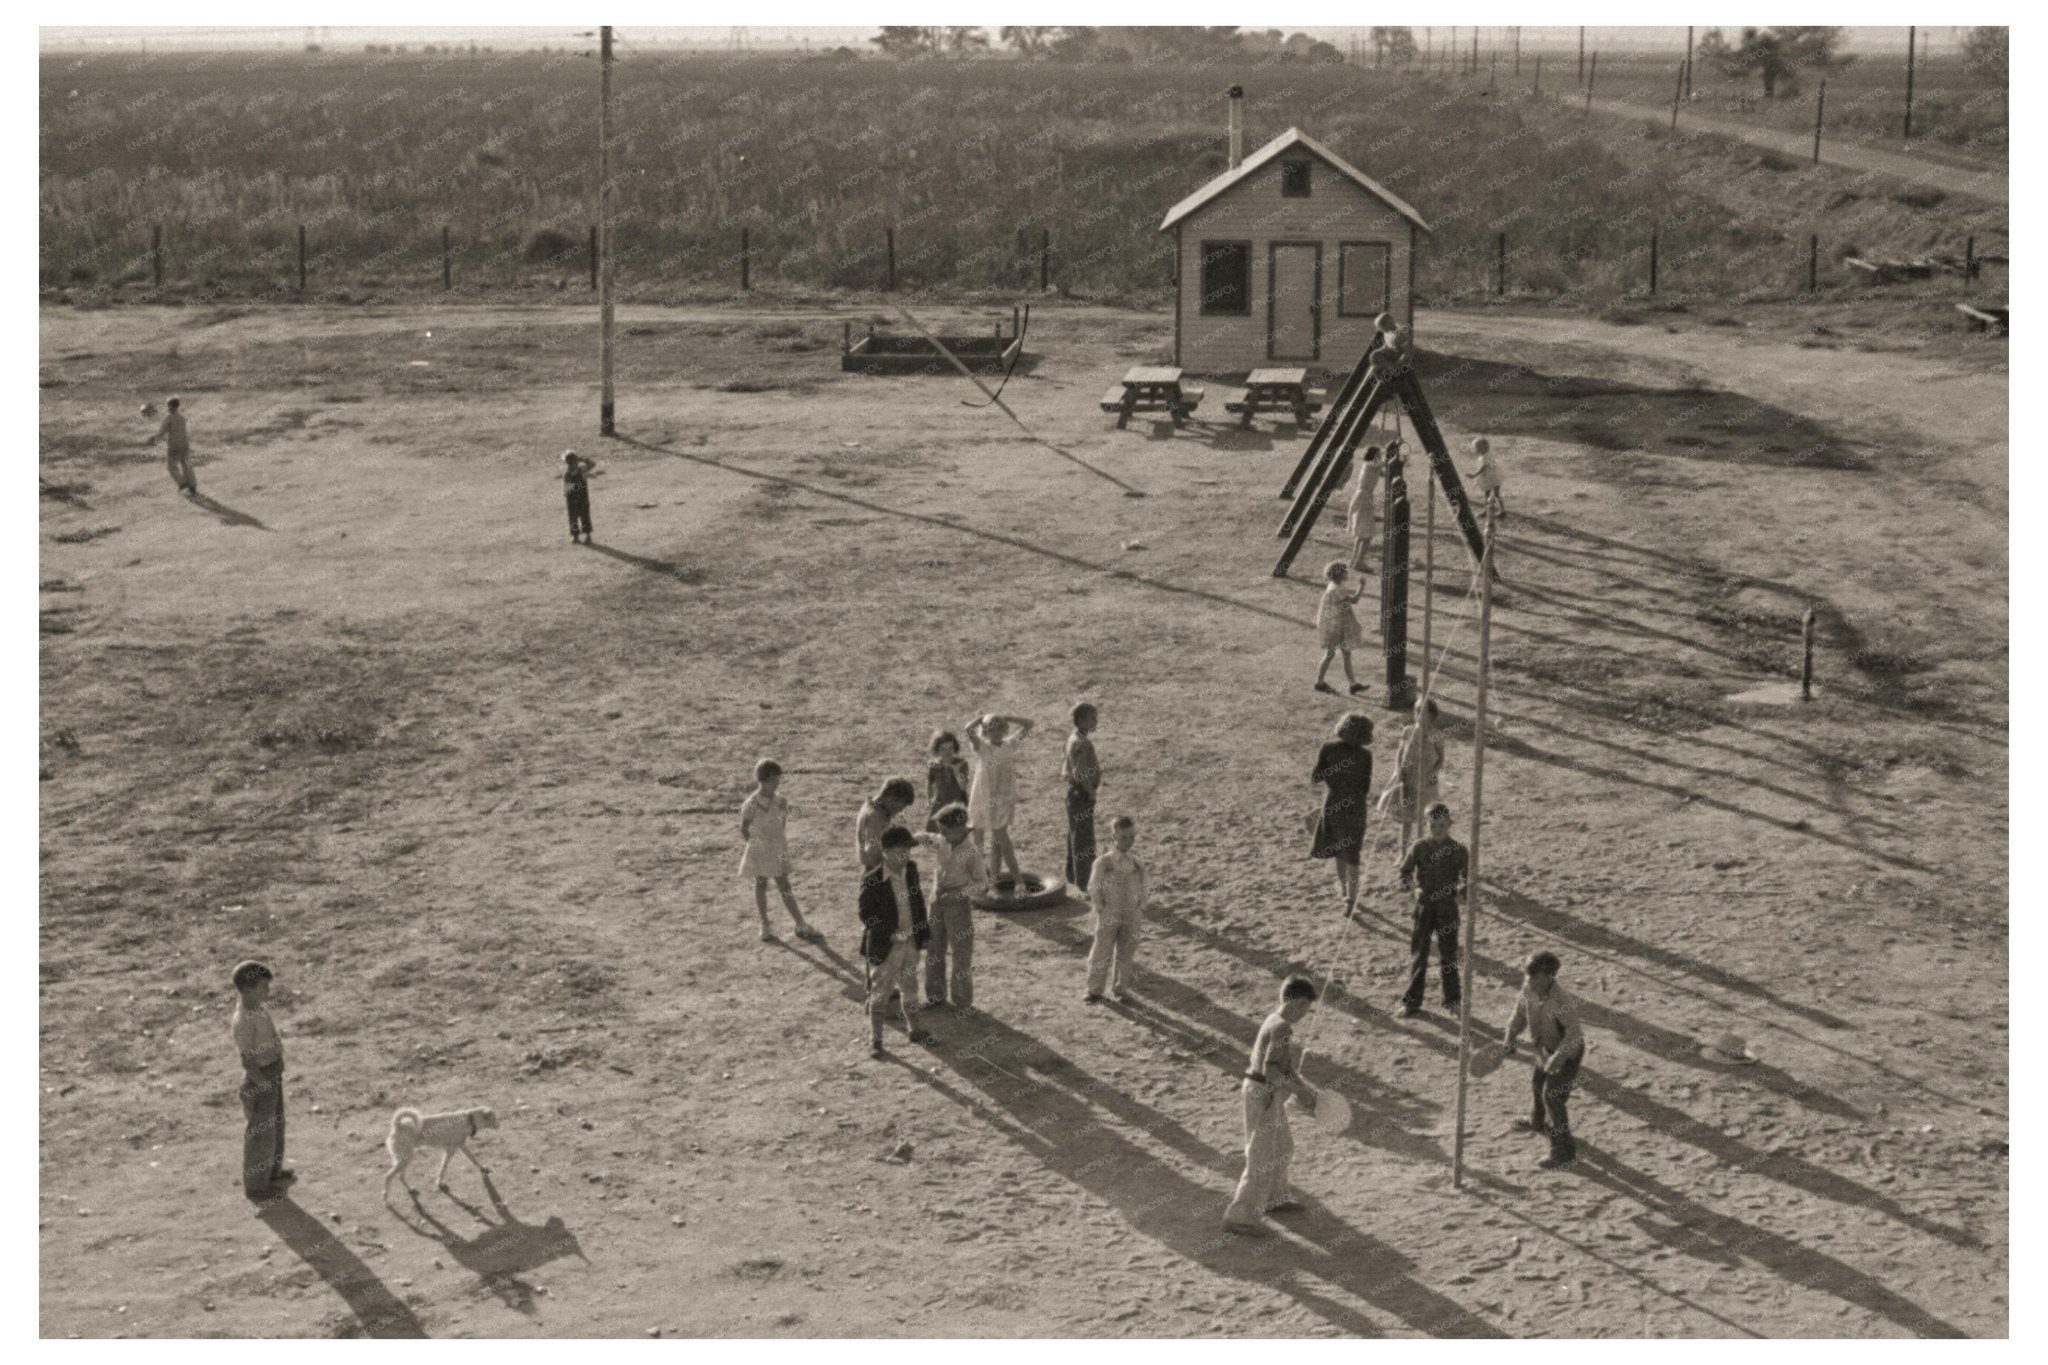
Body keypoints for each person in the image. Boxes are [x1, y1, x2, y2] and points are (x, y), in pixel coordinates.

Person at [1222, 975, 1319, 1236]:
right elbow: (1273, 1073)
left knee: (1282, 1146)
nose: (1305, 1014)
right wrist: (1301, 1093)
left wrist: (1303, 1089)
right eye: (1306, 1008)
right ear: (1297, 1002)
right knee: (1261, 1156)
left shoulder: (1275, 1021)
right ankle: (1239, 1214)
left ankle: (1274, 1198)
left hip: (1262, 1090)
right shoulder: (1282, 1028)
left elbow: (1284, 1068)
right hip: (1264, 1093)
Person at [1501, 950, 1586, 1169]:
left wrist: (1558, 1058)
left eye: (1534, 976)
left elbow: (1574, 1034)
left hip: (1568, 1053)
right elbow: (1519, 1014)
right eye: (1527, 974)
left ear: (1548, 976)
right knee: (1537, 1084)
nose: (1528, 979)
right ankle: (1537, 1122)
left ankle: (1564, 1152)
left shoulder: (1562, 1000)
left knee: (1553, 1097)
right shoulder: (1529, 988)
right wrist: (1510, 1035)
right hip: (1544, 1047)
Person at [858, 827, 933, 1057]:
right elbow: (866, 915)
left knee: (910, 986)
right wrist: (889, 933)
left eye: (908, 851)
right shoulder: (871, 880)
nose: (906, 857)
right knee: (881, 992)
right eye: (902, 852)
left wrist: (924, 934)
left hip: (910, 941)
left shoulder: (910, 870)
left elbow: (918, 902)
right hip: (886, 945)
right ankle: (876, 1040)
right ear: (886, 852)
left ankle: (915, 1030)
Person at [1395, 801, 1468, 1017]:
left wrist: (1462, 891)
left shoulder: (1459, 850)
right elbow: (1405, 872)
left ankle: (1453, 1001)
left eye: (1441, 826)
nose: (1436, 830)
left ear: (1449, 825)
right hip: (1424, 906)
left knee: (1448, 956)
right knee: (1419, 955)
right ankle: (1411, 1002)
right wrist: (1409, 885)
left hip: (1447, 909)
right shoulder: (1418, 847)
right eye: (1432, 826)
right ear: (1427, 824)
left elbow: (1467, 877)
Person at [738, 758, 821, 945]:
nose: (777, 783)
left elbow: (781, 825)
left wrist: (776, 845)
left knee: (785, 886)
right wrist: (754, 846)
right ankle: (765, 925)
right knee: (761, 885)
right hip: (760, 850)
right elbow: (744, 828)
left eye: (778, 779)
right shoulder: (751, 803)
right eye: (774, 779)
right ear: (763, 780)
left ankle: (800, 924)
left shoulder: (781, 801)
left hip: (777, 849)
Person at [230, 960, 294, 1202]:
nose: (268, 992)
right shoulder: (244, 1019)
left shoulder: (258, 1009)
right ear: (247, 989)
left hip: (271, 1074)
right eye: (262, 987)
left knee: (276, 1128)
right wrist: (263, 1083)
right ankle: (257, 1187)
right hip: (260, 1080)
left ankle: (272, 1175)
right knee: (261, 1135)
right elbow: (247, 1060)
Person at [914, 802, 987, 1014]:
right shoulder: (943, 841)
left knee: (961, 954)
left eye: (946, 831)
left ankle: (963, 1002)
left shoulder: (972, 852)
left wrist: (959, 894)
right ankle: (935, 996)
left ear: (960, 829)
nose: (942, 834)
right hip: (937, 903)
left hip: (958, 907)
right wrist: (910, 839)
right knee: (934, 950)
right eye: (941, 831)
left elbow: (982, 882)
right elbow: (925, 837)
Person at [1310, 712, 1374, 917]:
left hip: (1333, 804)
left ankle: (1344, 890)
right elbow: (1365, 786)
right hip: (1356, 807)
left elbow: (1316, 777)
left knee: (1339, 850)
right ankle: (1351, 899)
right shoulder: (1366, 756)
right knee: (1353, 853)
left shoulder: (1328, 748)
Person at [1084, 815, 1146, 1003]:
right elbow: (1093, 886)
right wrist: (1100, 907)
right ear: (1113, 838)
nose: (1128, 842)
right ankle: (1094, 990)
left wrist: (1140, 908)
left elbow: (1144, 886)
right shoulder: (1104, 863)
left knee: (1126, 951)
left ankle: (1121, 989)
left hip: (1131, 913)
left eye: (1131, 837)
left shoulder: (1136, 864)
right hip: (1109, 912)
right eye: (1124, 837)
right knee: (1102, 949)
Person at [965, 712, 1033, 880]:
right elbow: (968, 730)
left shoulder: (1010, 744)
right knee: (978, 836)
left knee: (1000, 837)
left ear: (1005, 730)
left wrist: (1009, 717)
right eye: (991, 730)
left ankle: (1003, 876)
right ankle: (978, 876)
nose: (996, 733)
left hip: (1003, 796)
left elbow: (1029, 723)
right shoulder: (982, 747)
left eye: (1000, 729)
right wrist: (981, 718)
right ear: (986, 732)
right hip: (983, 795)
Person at [1062, 703, 1102, 895]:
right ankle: (1084, 884)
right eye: (1093, 718)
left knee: (1075, 835)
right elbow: (1080, 772)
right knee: (1084, 840)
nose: (1096, 721)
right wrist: (1090, 790)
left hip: (1074, 793)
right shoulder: (1082, 743)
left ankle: (1072, 877)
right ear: (1083, 721)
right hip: (1081, 794)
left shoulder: (1073, 738)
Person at [1313, 561, 1368, 697]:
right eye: (1344, 571)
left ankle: (1353, 684)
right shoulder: (1337, 589)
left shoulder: (1335, 585)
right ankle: (1319, 682)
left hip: (1337, 623)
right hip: (1334, 625)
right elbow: (1354, 600)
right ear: (1338, 574)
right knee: (1331, 654)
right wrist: (1361, 586)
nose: (1346, 573)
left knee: (1345, 653)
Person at [1389, 698, 1446, 829]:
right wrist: (1398, 769)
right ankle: (1404, 846)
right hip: (1407, 775)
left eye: (1423, 712)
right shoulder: (1408, 731)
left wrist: (1433, 773)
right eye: (1417, 711)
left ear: (1432, 715)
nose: (1418, 715)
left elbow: (1441, 758)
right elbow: (1400, 752)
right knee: (1406, 815)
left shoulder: (1436, 734)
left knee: (1423, 814)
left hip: (1425, 777)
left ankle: (1421, 843)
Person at [855, 776, 918, 878]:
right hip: (876, 871)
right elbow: (873, 852)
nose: (900, 810)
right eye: (900, 806)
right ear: (891, 798)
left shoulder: (877, 808)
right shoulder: (875, 817)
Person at [147, 396, 197, 497]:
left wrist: (153, 438)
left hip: (174, 445)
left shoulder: (168, 418)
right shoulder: (182, 418)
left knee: (171, 466)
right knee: (186, 464)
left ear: (170, 406)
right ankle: (192, 485)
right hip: (185, 444)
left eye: (167, 405)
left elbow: (162, 432)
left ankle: (182, 483)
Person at [1346, 446, 1383, 573]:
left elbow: (1388, 469)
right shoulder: (1369, 465)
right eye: (1378, 454)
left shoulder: (1373, 466)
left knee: (1361, 533)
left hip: (1365, 497)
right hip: (1364, 498)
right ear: (1372, 456)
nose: (1380, 456)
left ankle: (1354, 560)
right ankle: (1359, 562)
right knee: (1367, 534)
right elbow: (1386, 463)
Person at [925, 731, 971, 833]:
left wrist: (956, 770)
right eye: (943, 749)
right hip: (940, 801)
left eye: (950, 748)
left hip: (957, 802)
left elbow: (963, 787)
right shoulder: (934, 765)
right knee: (934, 830)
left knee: (955, 831)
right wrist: (930, 799)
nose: (947, 752)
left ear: (955, 748)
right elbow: (930, 783)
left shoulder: (961, 763)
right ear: (937, 750)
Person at [561, 448, 599, 544]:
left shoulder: (581, 470)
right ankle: (576, 536)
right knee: (574, 517)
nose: (573, 464)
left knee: (584, 516)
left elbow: (593, 464)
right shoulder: (568, 474)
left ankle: (587, 536)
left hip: (582, 498)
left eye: (574, 462)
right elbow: (566, 490)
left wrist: (584, 459)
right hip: (573, 499)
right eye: (571, 463)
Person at [1467, 437, 1504, 519]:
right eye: (1476, 448)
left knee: (1496, 494)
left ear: (1485, 447)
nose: (1477, 449)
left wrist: (1474, 475)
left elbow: (1483, 467)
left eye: (1479, 447)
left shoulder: (1486, 456)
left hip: (1494, 477)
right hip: (1487, 477)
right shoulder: (1483, 455)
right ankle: (1486, 510)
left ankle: (1502, 511)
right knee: (1487, 495)